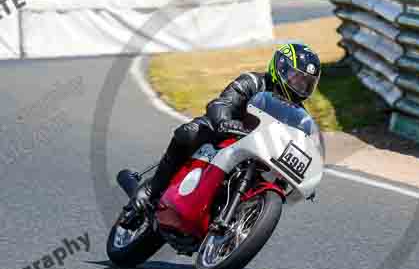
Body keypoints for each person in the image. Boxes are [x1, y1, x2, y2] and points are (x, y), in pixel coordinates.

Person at [130, 42, 322, 218]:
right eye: (296, 78)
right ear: (280, 68)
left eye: (306, 83)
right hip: (226, 134)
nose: (300, 86)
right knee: (189, 132)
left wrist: (307, 174)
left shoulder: (299, 115)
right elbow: (223, 102)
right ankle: (152, 189)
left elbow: (303, 145)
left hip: (261, 154)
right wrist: (224, 121)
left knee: (276, 181)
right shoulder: (253, 82)